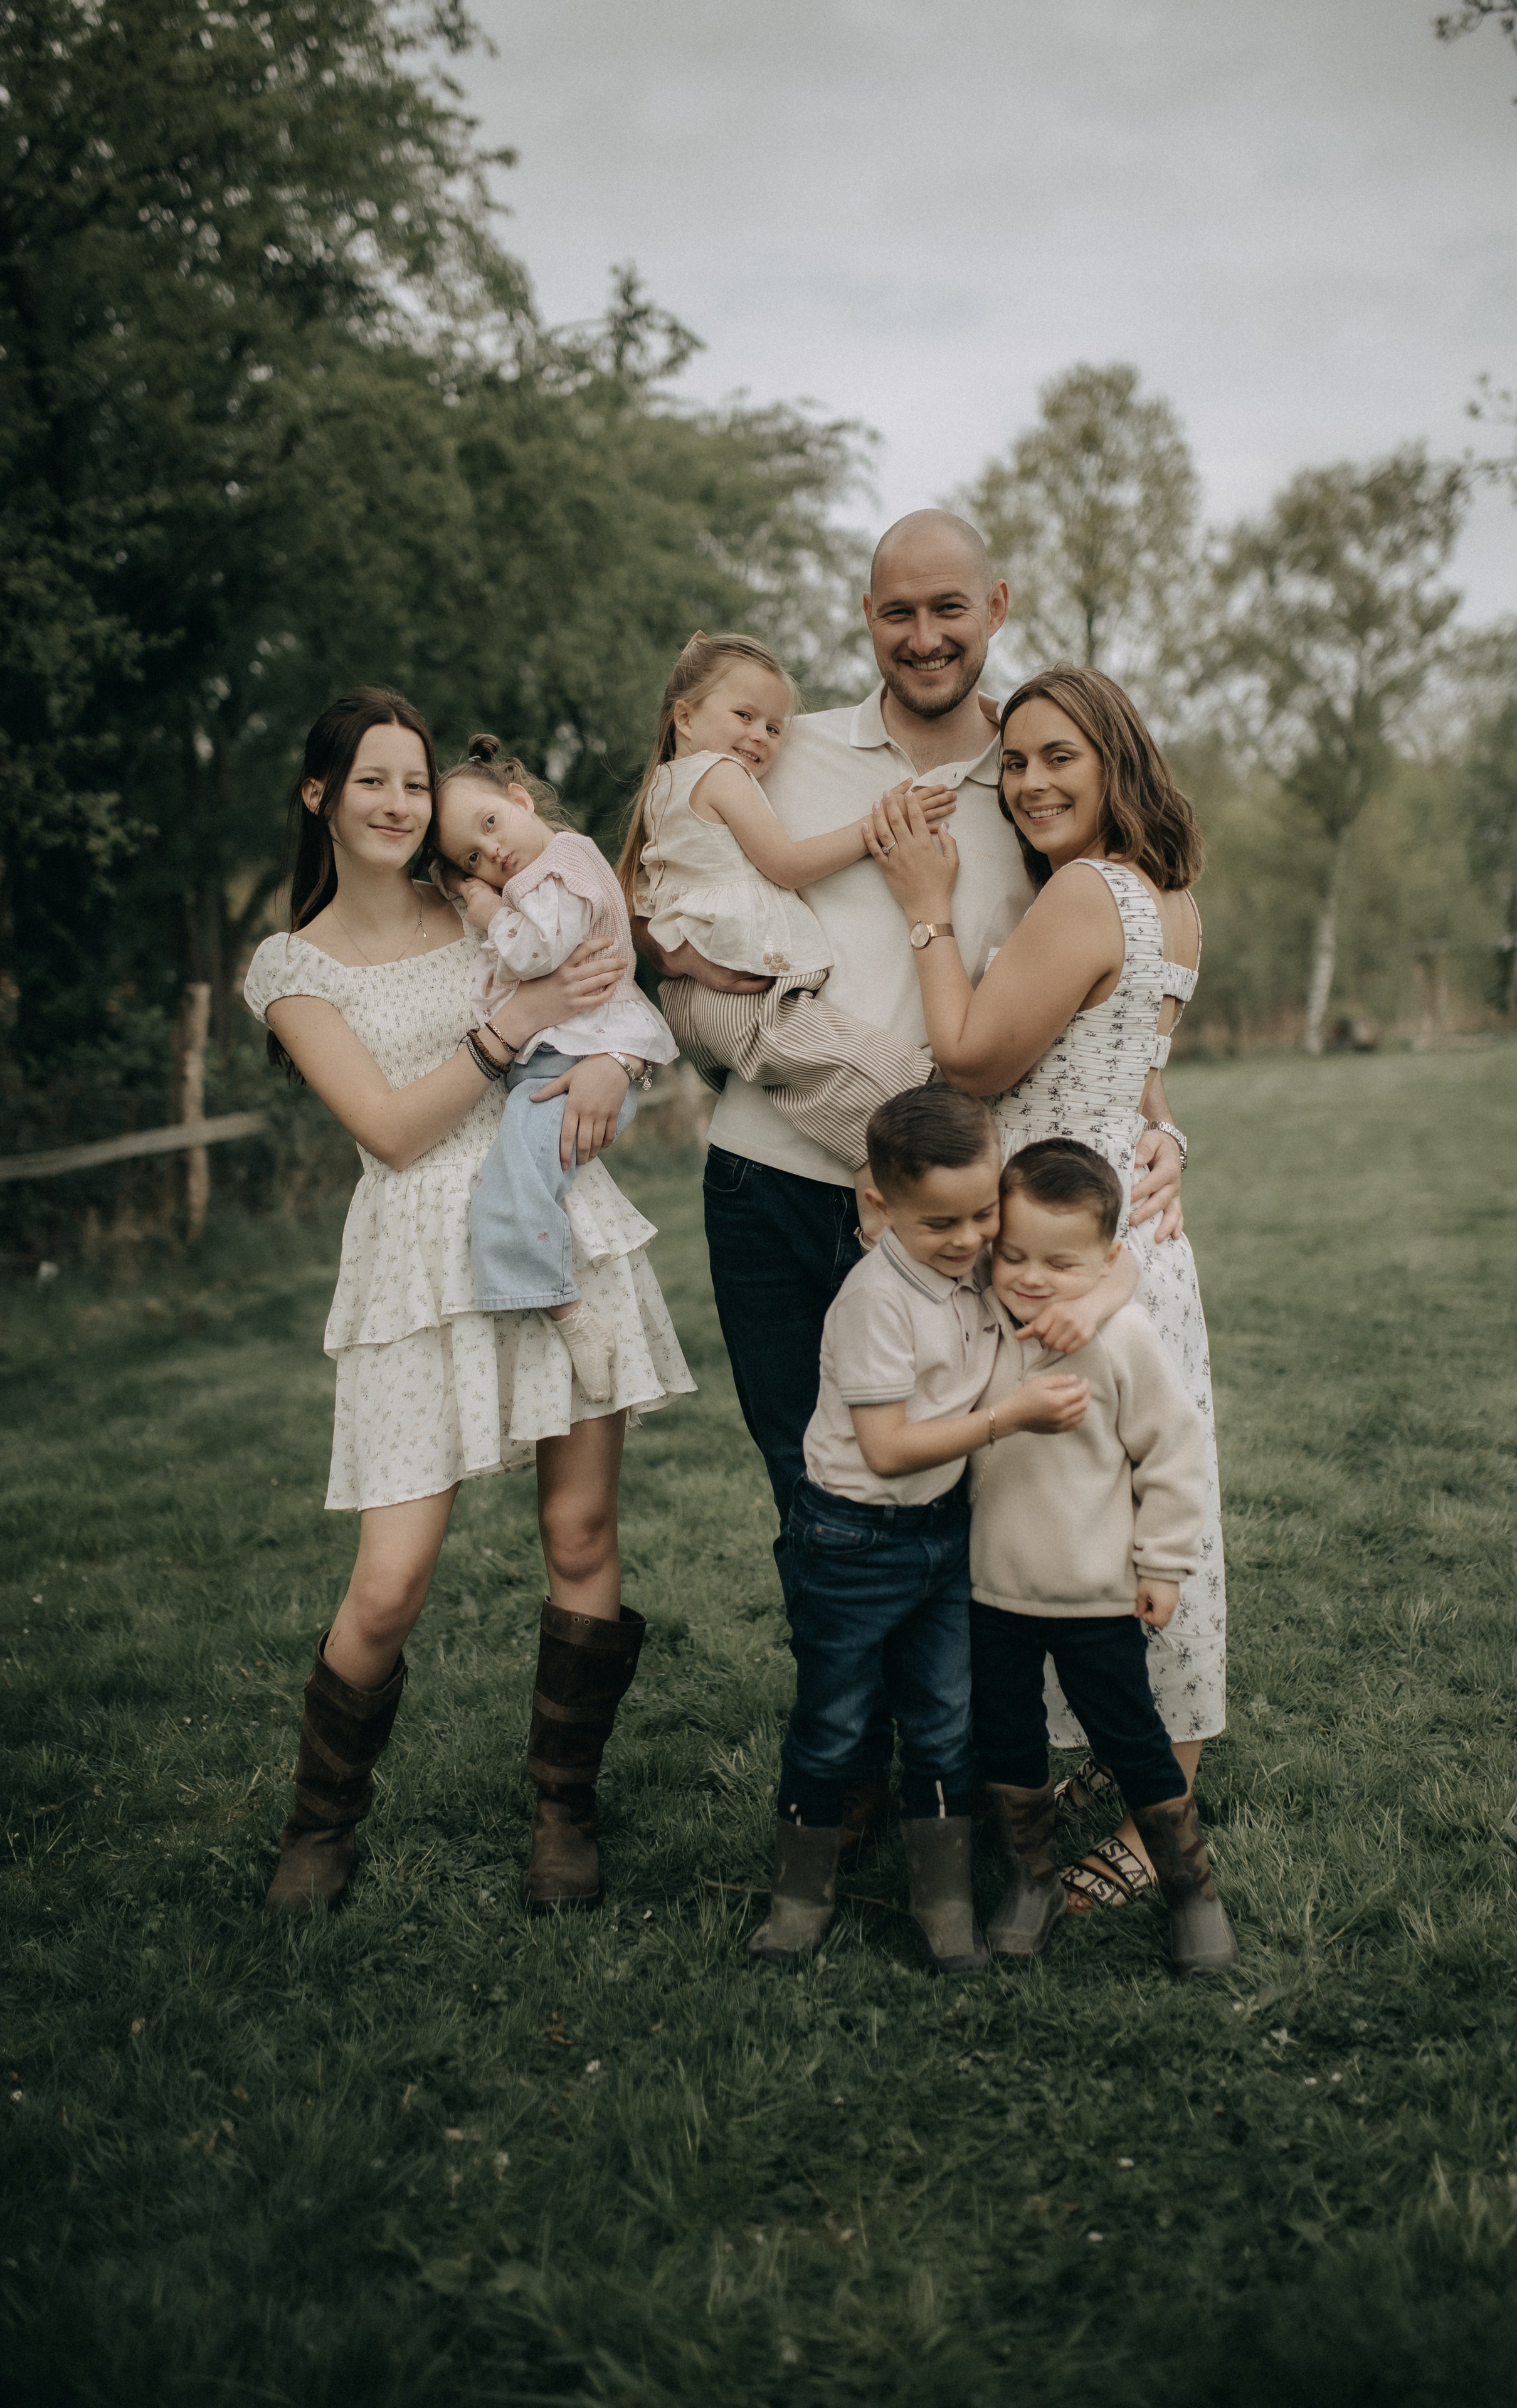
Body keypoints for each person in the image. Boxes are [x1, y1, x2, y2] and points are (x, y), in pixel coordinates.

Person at [633, 515, 1184, 1857]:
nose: (925, 637)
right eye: (898, 614)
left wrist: (1160, 1121)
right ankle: (851, 1779)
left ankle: (959, 1773)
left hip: (949, 1223)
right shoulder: (781, 750)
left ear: (994, 604)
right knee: (811, 1488)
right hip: (771, 1183)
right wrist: (679, 990)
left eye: (951, 609)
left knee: (965, 1484)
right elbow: (659, 915)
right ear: (864, 615)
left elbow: (1098, 989)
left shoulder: (1040, 784)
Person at [243, 689, 694, 1920]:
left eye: (412, 784)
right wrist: (517, 1025)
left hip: (554, 1213)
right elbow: (388, 1131)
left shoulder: (490, 899)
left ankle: (563, 1813)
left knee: (581, 1537)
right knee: (389, 1582)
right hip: (409, 1264)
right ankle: (320, 1824)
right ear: (319, 798)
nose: (396, 805)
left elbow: (607, 995)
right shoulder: (292, 966)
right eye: (371, 783)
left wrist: (602, 1054)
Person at [869, 661, 1225, 1914]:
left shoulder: (1082, 893)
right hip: (1116, 1255)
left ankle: (1154, 1827)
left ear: (1114, 758)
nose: (1026, 781)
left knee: (1107, 1526)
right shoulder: (1163, 898)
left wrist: (922, 906)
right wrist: (1167, 1145)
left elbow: (967, 1058)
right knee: (1100, 1518)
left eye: (1055, 755)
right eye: (1012, 760)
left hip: (1081, 1275)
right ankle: (1122, 1767)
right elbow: (1135, 1076)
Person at [748, 1087, 1091, 1977]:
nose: (973, 1239)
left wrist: (1093, 1298)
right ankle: (801, 1897)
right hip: (852, 1540)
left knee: (945, 1723)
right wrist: (1007, 1417)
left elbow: (1104, 1260)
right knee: (833, 1722)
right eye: (942, 1223)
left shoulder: (972, 1263)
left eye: (985, 1213)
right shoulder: (876, 1302)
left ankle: (943, 1903)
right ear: (880, 1206)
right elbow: (889, 1447)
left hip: (943, 1538)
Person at [967, 1139, 1238, 1977]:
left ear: (1110, 1261)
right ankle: (1030, 1879)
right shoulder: (974, 1329)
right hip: (992, 1594)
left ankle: (1192, 1889)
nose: (1032, 1277)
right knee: (1005, 1736)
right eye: (1012, 1255)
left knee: (1132, 1736)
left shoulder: (1122, 1340)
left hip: (1097, 1598)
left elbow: (1172, 1456)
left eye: (1061, 1261)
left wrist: (1160, 1566)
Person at [615, 630, 954, 1170]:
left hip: (696, 994)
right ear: (685, 717)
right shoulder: (722, 774)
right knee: (854, 1069)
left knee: (808, 1089)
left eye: (774, 727)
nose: (760, 736)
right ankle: (930, 1104)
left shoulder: (663, 785)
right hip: (739, 991)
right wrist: (878, 826)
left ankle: (877, 1183)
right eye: (744, 716)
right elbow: (787, 864)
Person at [434, 734, 678, 1407]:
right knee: (520, 1177)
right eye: (472, 858)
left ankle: (571, 1316)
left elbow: (540, 953)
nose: (493, 855)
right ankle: (556, 1305)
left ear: (518, 798)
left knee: (511, 1184)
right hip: (567, 1056)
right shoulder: (537, 878)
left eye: (490, 825)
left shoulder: (563, 865)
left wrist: (487, 913)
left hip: (582, 1056)